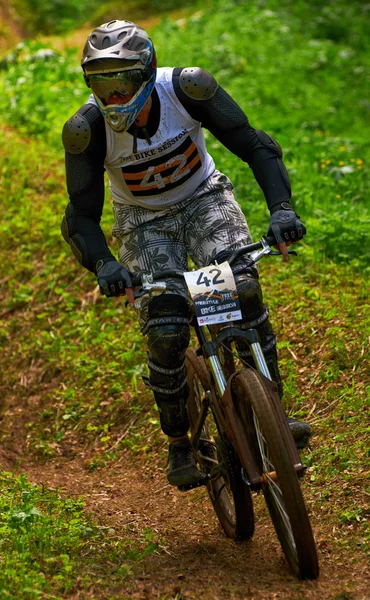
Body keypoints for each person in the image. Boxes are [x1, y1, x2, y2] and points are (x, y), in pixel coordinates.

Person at [61, 20, 310, 487]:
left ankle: (274, 412)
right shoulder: (86, 131)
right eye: (100, 84)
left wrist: (281, 210)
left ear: (148, 71)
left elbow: (255, 146)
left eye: (122, 83)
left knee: (244, 289)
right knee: (168, 328)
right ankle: (180, 443)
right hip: (143, 220)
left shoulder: (188, 89)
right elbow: (80, 217)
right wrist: (104, 263)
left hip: (204, 199)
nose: (113, 97)